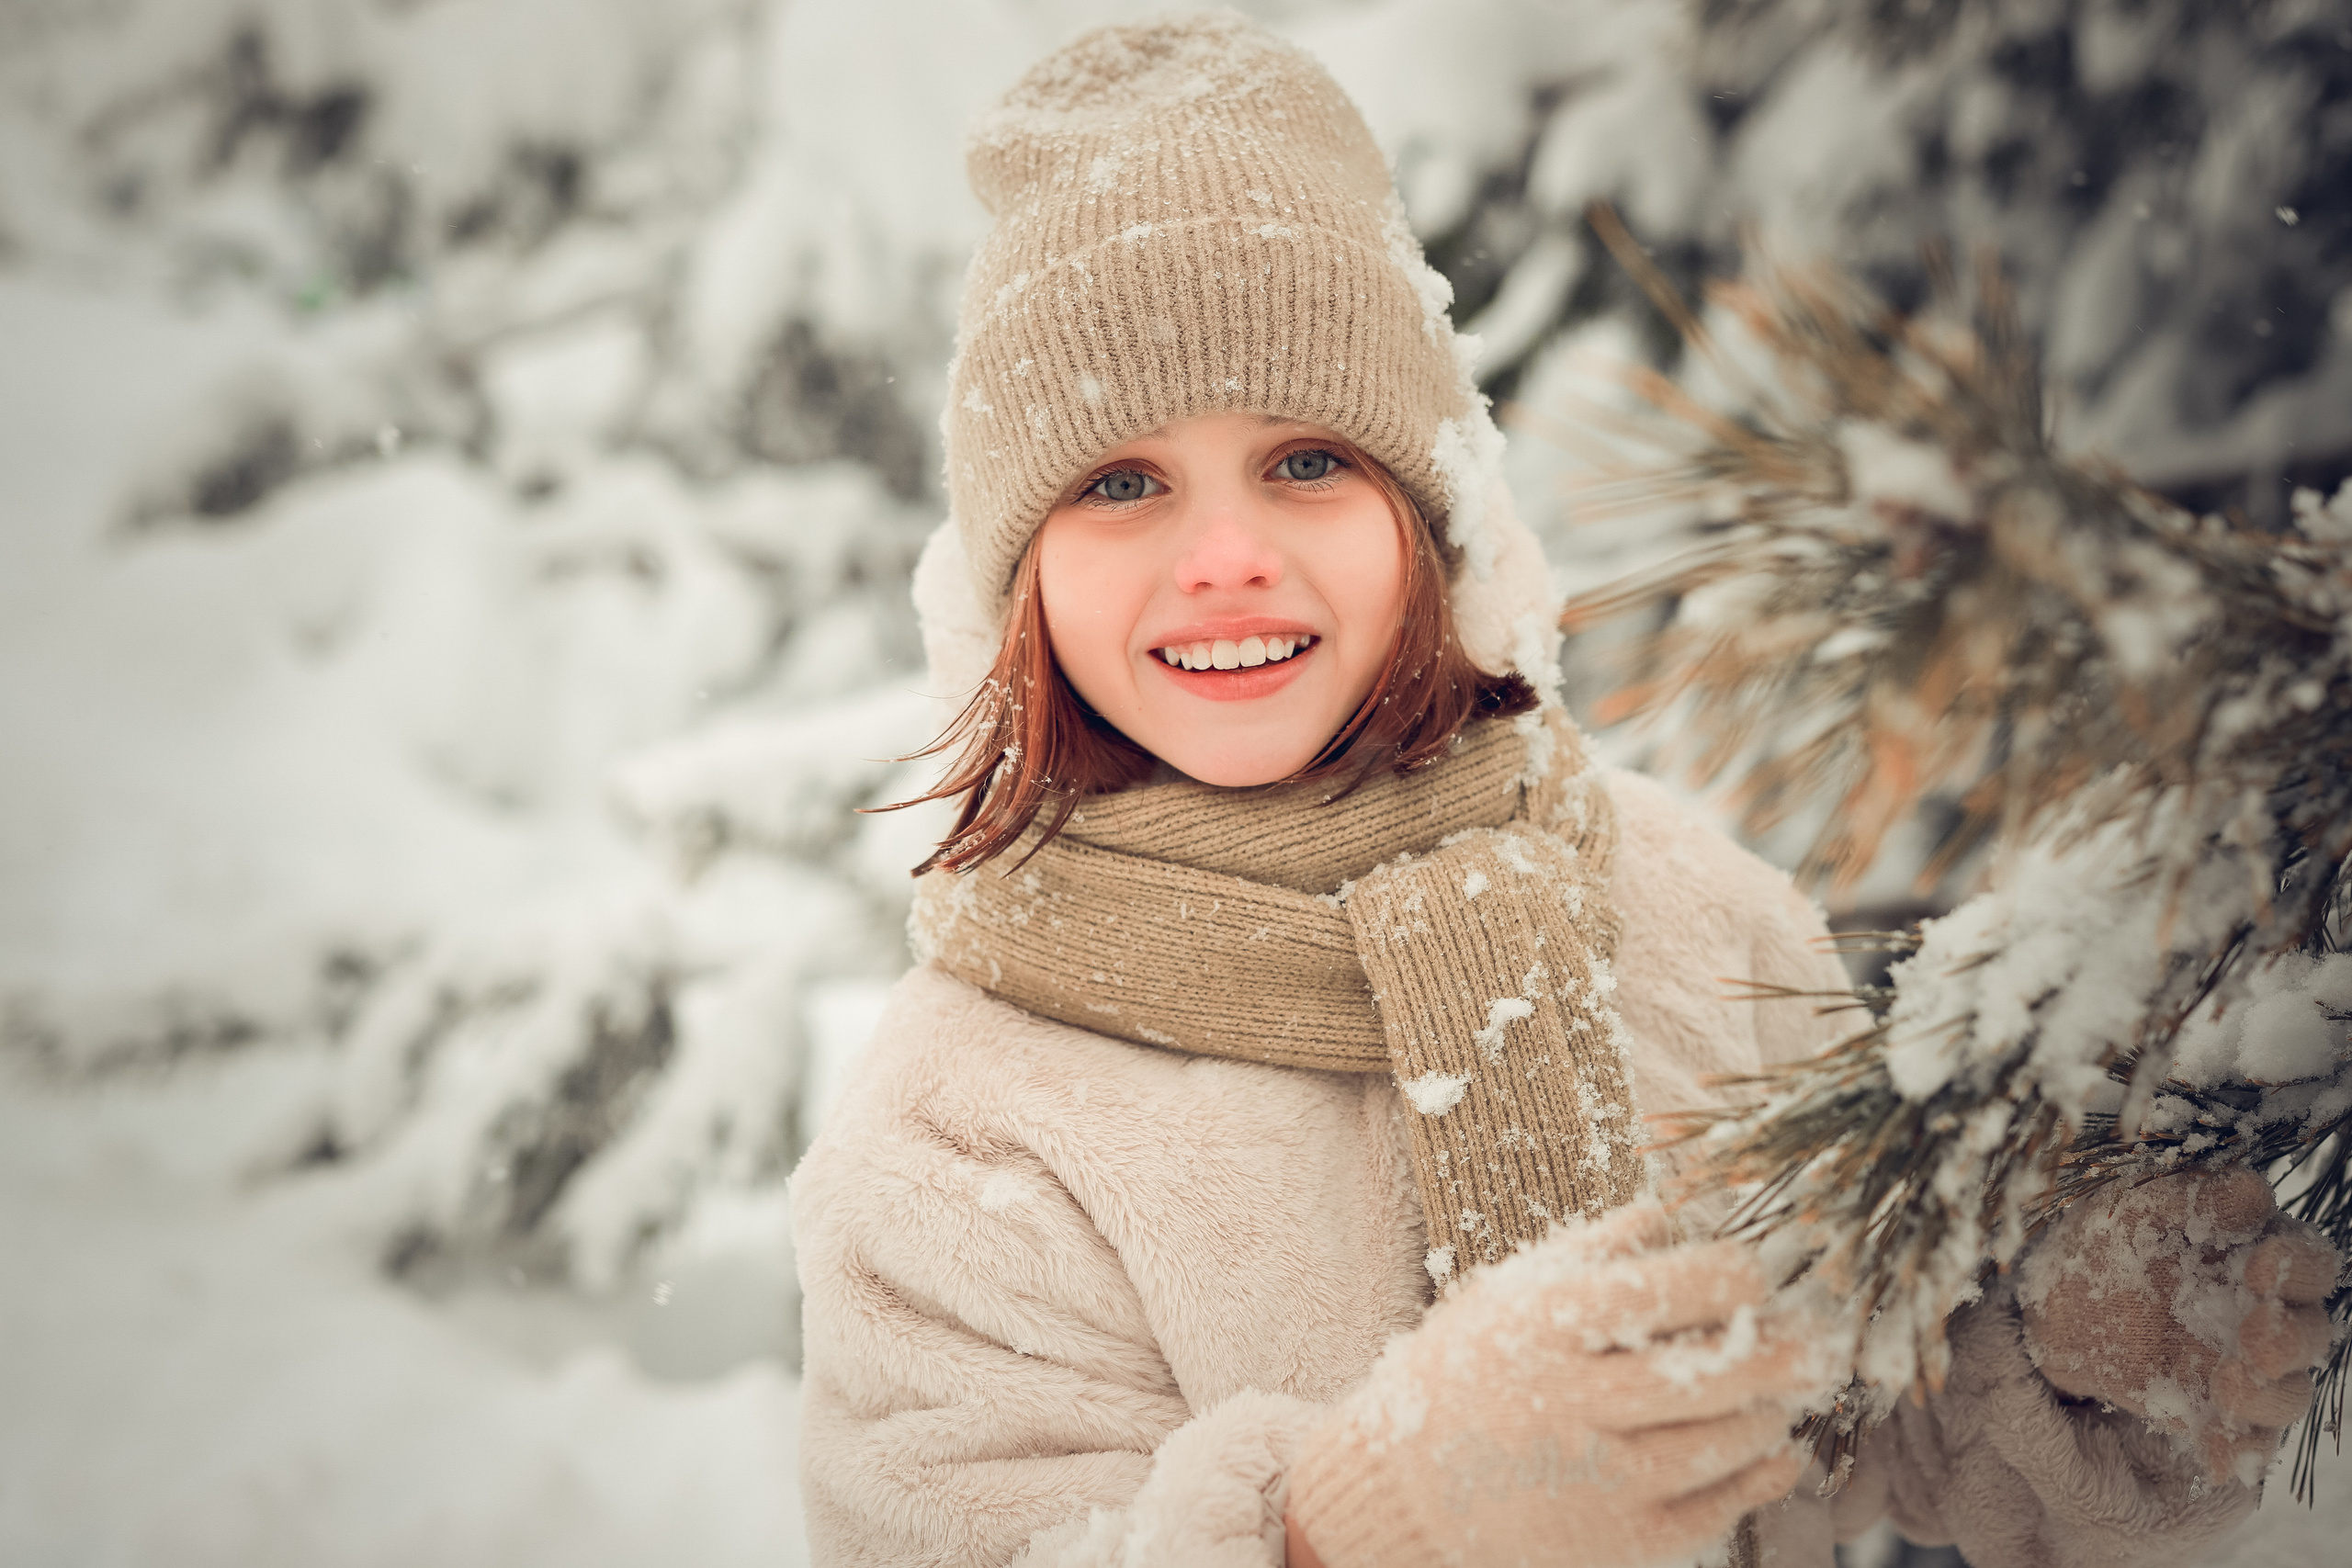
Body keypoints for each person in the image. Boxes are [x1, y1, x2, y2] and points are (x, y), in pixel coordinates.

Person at [790, 16, 2338, 1566]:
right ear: (1019, 579)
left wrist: (2055, 1343)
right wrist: (1349, 1533)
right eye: (1120, 483)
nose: (1225, 555)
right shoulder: (959, 1131)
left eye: (1309, 461)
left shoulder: (1672, 907)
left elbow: (1860, 1396)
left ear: (1433, 515)